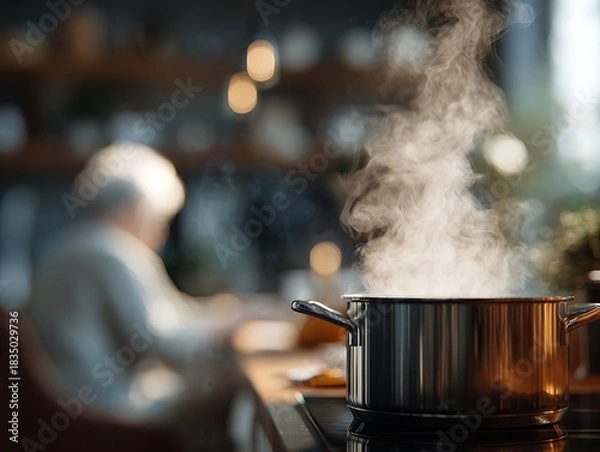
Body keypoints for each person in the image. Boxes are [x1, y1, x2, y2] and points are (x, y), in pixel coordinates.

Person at [27, 142, 244, 451]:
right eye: (160, 218)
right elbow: (159, 342)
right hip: (100, 407)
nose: (163, 231)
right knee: (232, 386)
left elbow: (172, 315)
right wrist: (229, 325)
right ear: (137, 209)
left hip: (70, 399)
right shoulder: (112, 252)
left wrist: (225, 314)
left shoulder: (73, 245)